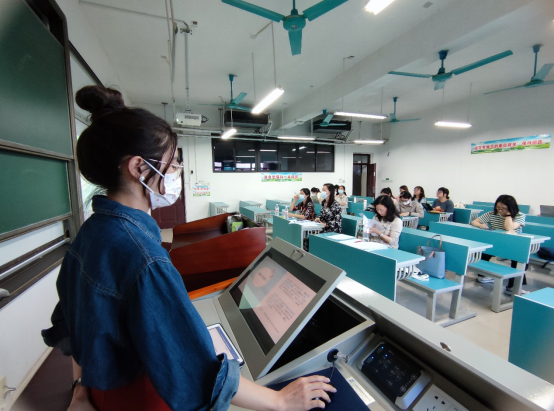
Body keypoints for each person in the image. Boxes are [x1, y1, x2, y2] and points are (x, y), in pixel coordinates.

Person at [41, 86, 335, 411]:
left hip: (102, 392)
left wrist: (82, 388)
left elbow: (72, 319)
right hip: (142, 399)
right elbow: (195, 372)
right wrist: (280, 400)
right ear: (139, 168)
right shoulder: (145, 259)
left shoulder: (90, 232)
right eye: (172, 164)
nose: (177, 172)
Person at [471, 195, 528, 295]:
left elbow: (509, 228)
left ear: (511, 207)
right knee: (483, 252)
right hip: (496, 243)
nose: (500, 210)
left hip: (513, 245)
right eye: (498, 207)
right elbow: (474, 221)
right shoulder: (492, 214)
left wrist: (508, 215)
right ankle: (483, 276)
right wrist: (480, 225)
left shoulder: (519, 215)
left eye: (503, 208)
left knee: (520, 259)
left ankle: (512, 287)